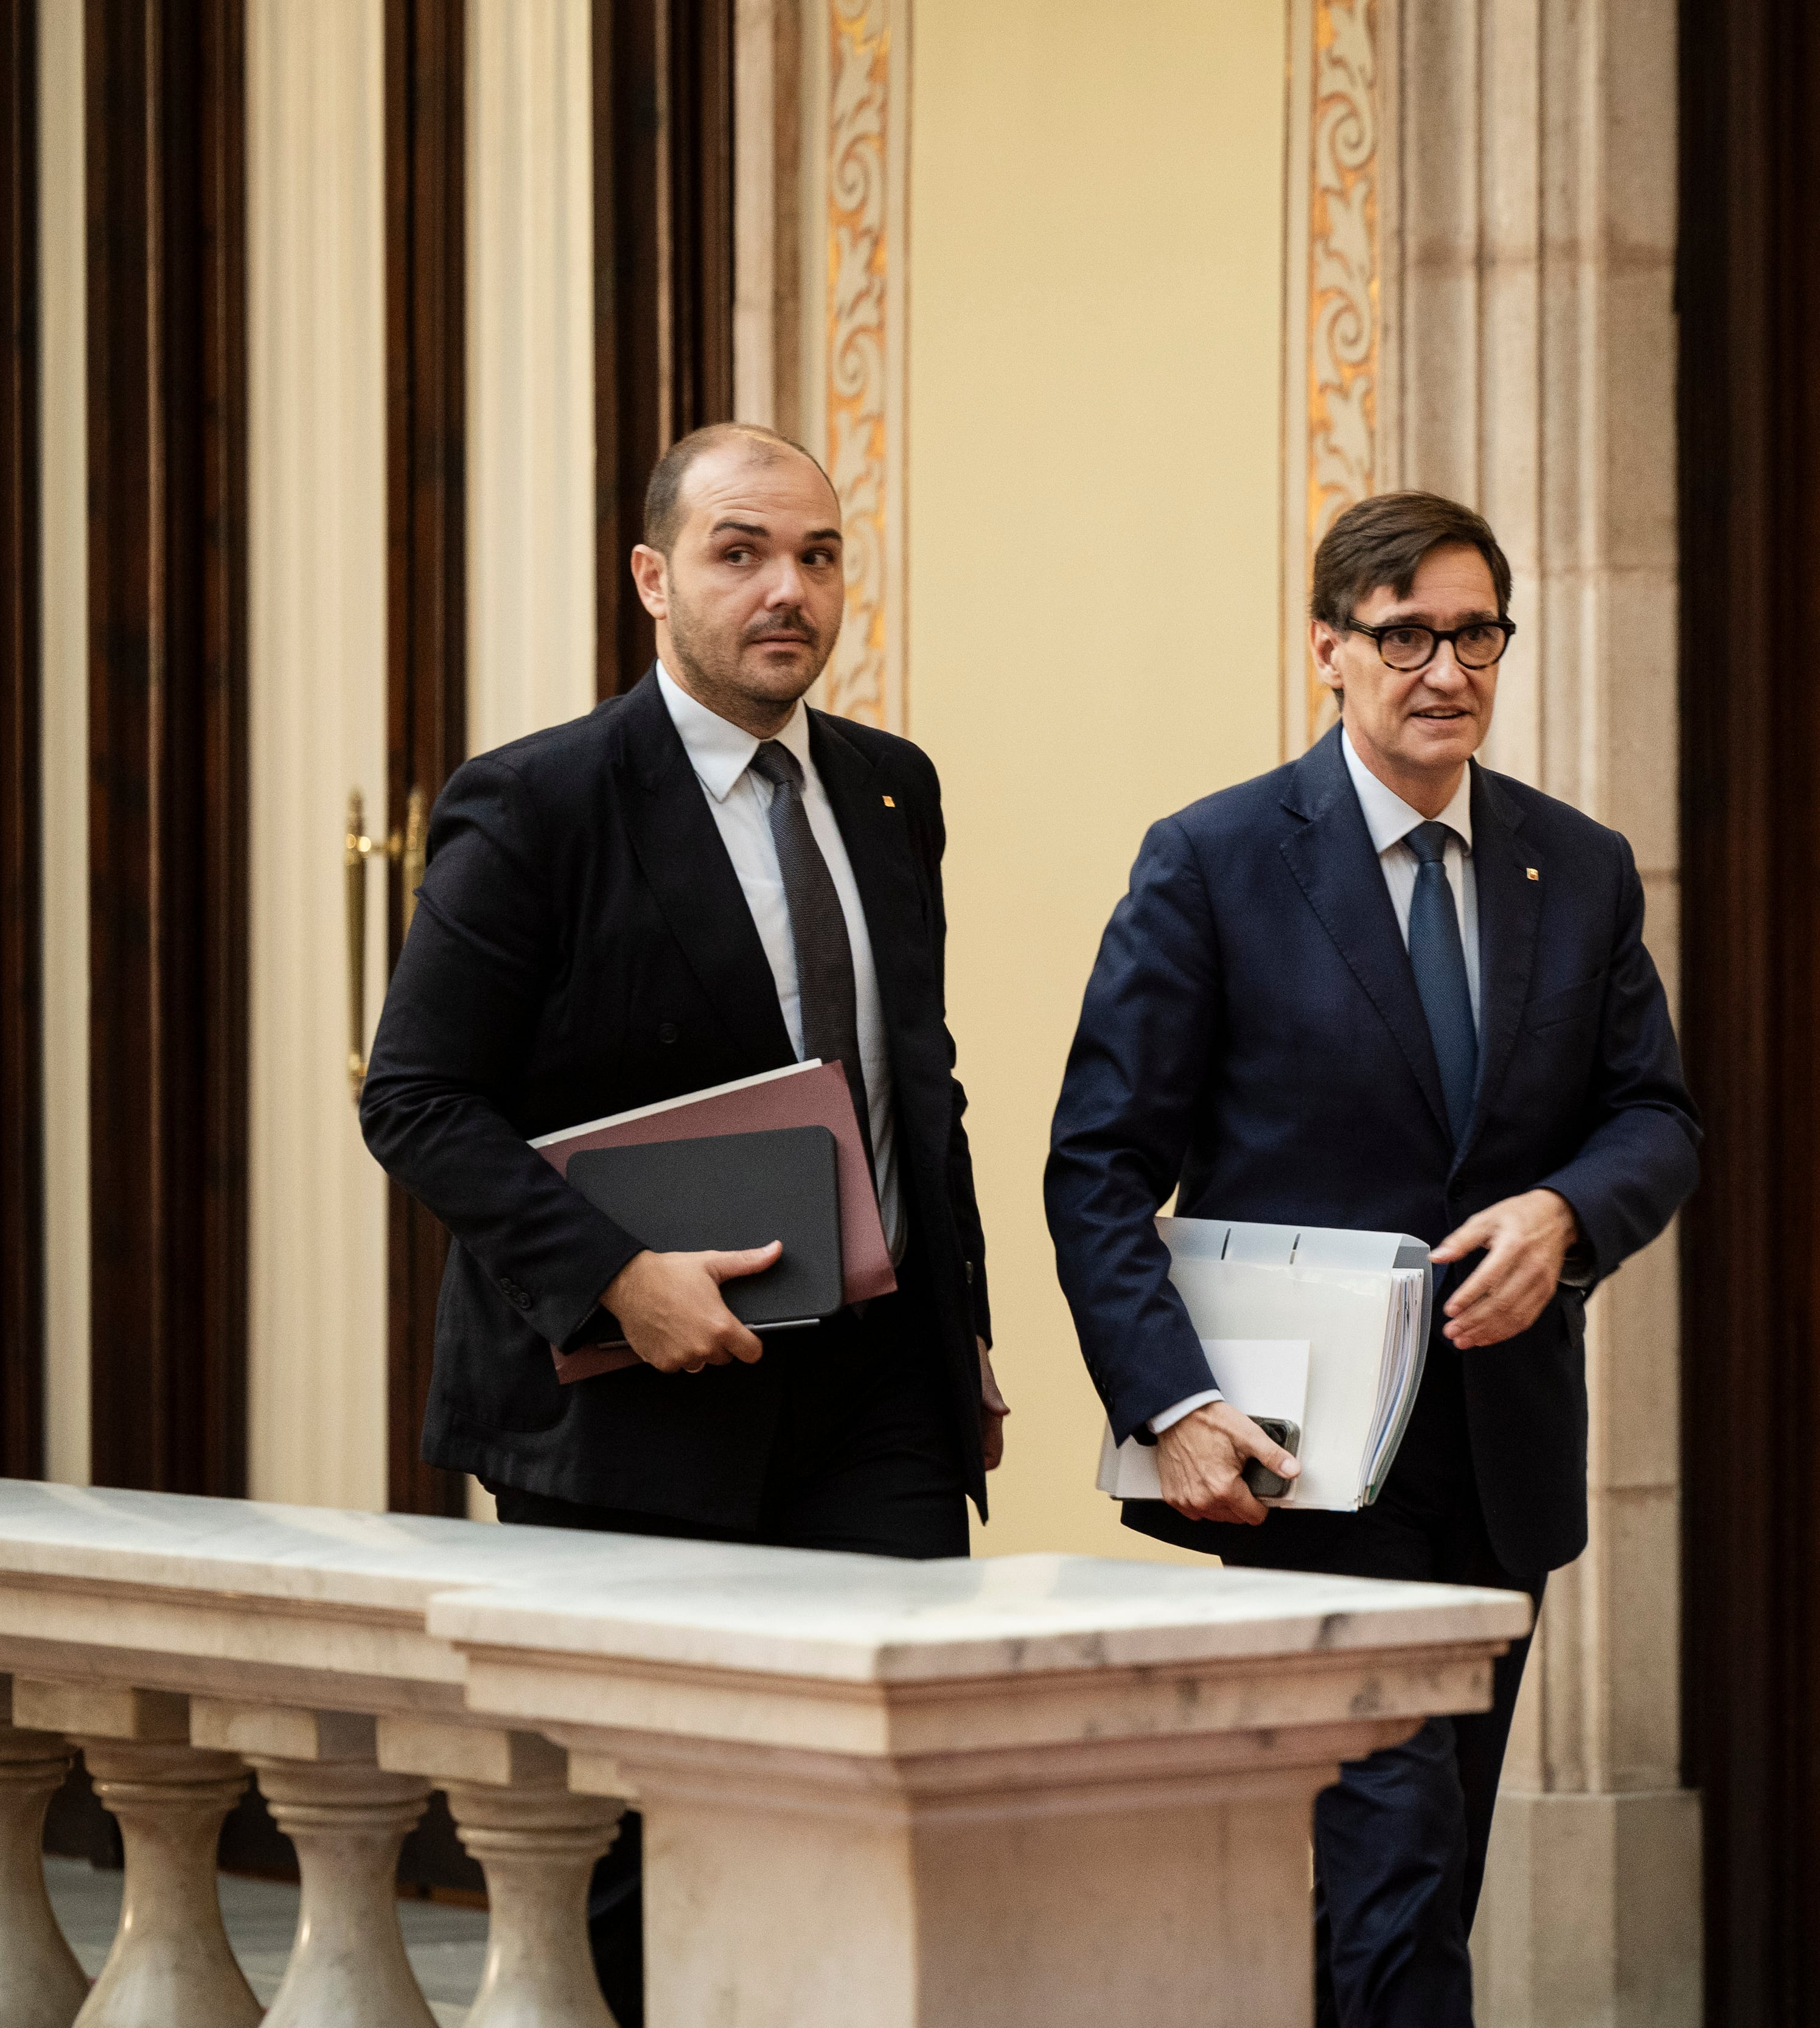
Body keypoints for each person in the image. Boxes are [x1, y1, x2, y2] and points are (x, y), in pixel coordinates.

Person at [359, 421, 1005, 2023]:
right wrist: (618, 1275)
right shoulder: (539, 800)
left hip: (879, 1392)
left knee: (873, 1819)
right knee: (642, 1866)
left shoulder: (893, 789)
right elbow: (418, 1099)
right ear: (653, 578)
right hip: (630, 1404)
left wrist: (964, 1329)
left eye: (818, 554)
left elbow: (915, 1080)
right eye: (741, 552)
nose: (789, 589)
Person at [1046, 490, 1700, 2027]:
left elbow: (1653, 1115)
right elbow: (1100, 1165)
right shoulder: (1212, 860)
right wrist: (1170, 1401)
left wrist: (1566, 1212)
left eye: (1476, 634)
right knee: (1395, 1865)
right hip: (1299, 1461)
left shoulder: (1577, 866)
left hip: (1495, 1448)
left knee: (1421, 1871)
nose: (1445, 670)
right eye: (1404, 636)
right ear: (1327, 648)